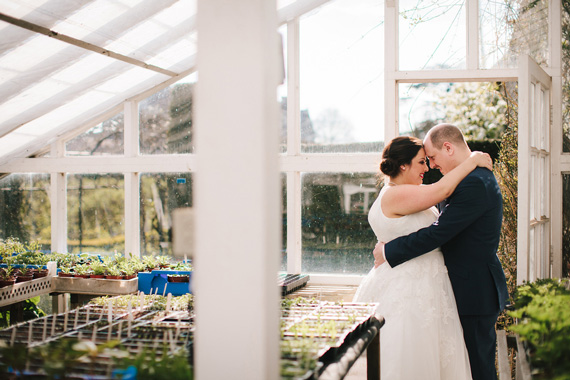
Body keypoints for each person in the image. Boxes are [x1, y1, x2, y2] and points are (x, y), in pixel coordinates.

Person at [373, 124, 509, 380]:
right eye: (424, 161)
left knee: (478, 369)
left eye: (431, 158)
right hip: (457, 290)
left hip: (473, 292)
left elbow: (438, 232)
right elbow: (437, 199)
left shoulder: (475, 183)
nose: (431, 166)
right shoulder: (468, 179)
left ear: (448, 147)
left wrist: (389, 251)